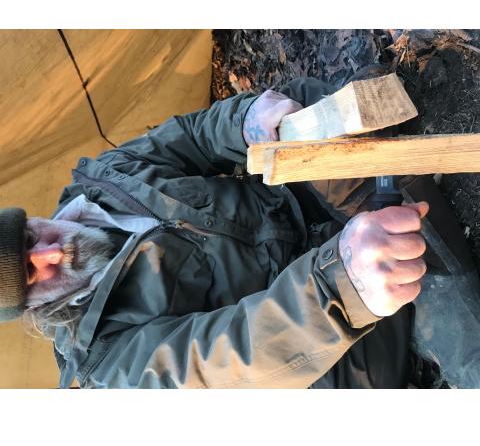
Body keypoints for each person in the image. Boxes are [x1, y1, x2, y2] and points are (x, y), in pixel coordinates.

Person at [0, 70, 478, 389]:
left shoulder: (102, 180)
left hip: (295, 215)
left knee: (305, 113)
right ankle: (442, 307)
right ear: (29, 306)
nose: (51, 253)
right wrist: (341, 284)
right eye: (31, 274)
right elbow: (234, 353)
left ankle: (392, 237)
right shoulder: (106, 361)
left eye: (29, 239)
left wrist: (244, 122)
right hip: (325, 341)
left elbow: (190, 137)